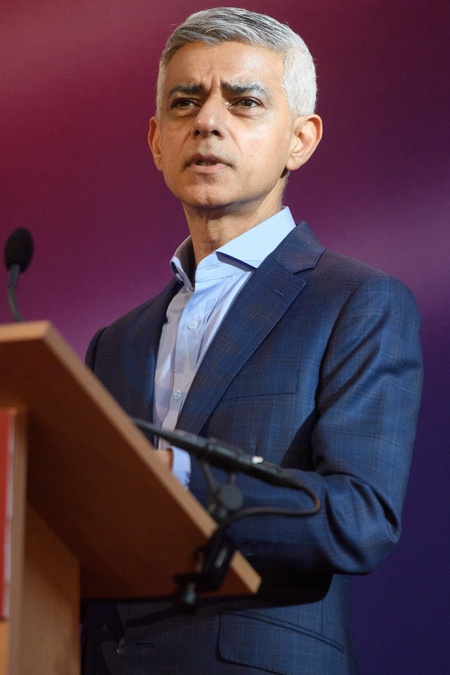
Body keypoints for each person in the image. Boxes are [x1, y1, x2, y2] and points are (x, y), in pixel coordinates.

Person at [81, 7, 423, 674]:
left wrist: (183, 481)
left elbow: (361, 518)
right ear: (156, 140)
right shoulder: (113, 344)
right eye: (185, 102)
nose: (207, 121)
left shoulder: (356, 302)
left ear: (300, 139)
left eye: (244, 102)